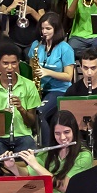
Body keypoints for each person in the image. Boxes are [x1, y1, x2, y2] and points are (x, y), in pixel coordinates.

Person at [0, 43, 42, 164]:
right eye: (5, 63)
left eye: (14, 63)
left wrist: (21, 109)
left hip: (23, 135)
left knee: (34, 163)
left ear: (19, 63)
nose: (10, 68)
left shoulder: (29, 85)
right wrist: (2, 116)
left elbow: (32, 122)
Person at [30, 12, 78, 142]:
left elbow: (68, 76)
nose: (44, 31)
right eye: (42, 28)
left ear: (56, 29)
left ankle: (46, 149)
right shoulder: (36, 45)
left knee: (40, 112)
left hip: (59, 90)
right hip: (38, 89)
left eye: (48, 28)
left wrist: (47, 72)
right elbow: (31, 67)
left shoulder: (65, 48)